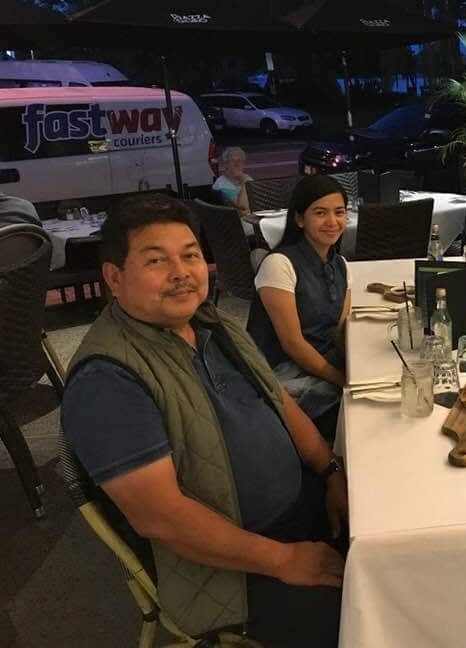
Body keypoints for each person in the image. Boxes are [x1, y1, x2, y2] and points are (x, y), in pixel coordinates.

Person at [60, 194, 347, 647]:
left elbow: (281, 404)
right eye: (156, 260)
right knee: (366, 618)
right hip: (233, 568)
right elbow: (162, 518)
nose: (181, 272)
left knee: (404, 543)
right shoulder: (108, 379)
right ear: (114, 278)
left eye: (190, 256)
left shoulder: (213, 325)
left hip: (298, 510)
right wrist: (285, 560)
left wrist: (330, 471)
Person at [247, 175, 349, 441]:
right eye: (320, 213)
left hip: (323, 361)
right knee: (357, 414)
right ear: (300, 219)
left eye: (339, 212)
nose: (333, 221)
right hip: (284, 373)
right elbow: (293, 344)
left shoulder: (341, 265)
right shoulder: (279, 264)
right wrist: (344, 381)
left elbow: (340, 331)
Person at [213, 146, 253, 216]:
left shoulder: (246, 178)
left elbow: (258, 200)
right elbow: (242, 206)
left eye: (240, 161)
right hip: (237, 220)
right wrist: (244, 183)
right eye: (233, 161)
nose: (237, 164)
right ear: (226, 164)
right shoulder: (222, 184)